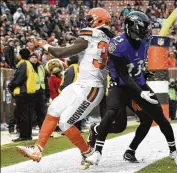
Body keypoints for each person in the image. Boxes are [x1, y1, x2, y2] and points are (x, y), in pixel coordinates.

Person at [84, 11, 177, 168]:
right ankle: (97, 150)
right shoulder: (117, 46)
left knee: (156, 117)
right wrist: (140, 93)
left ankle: (171, 151)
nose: (145, 34)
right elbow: (124, 76)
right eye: (142, 30)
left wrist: (144, 76)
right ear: (130, 29)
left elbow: (135, 65)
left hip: (138, 83)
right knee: (114, 118)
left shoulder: (143, 42)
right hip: (119, 85)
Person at [16, 7, 114, 163]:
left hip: (91, 87)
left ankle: (89, 154)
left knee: (65, 122)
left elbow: (61, 53)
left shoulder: (92, 34)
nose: (87, 22)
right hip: (81, 83)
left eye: (90, 19)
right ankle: (38, 149)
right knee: (54, 109)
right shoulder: (108, 39)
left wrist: (44, 45)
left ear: (99, 20)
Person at [8, 49, 36, 142]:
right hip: (30, 93)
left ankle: (23, 136)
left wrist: (10, 86)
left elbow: (18, 79)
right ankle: (28, 135)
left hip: (23, 93)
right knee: (27, 115)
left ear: (20, 55)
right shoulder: (29, 64)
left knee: (22, 115)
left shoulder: (23, 64)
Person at [29, 53, 49, 130]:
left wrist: (47, 93)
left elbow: (45, 80)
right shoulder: (27, 66)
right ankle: (29, 130)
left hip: (41, 92)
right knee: (30, 112)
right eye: (32, 57)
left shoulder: (41, 67)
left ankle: (43, 130)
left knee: (42, 112)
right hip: (31, 92)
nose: (34, 59)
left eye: (35, 57)